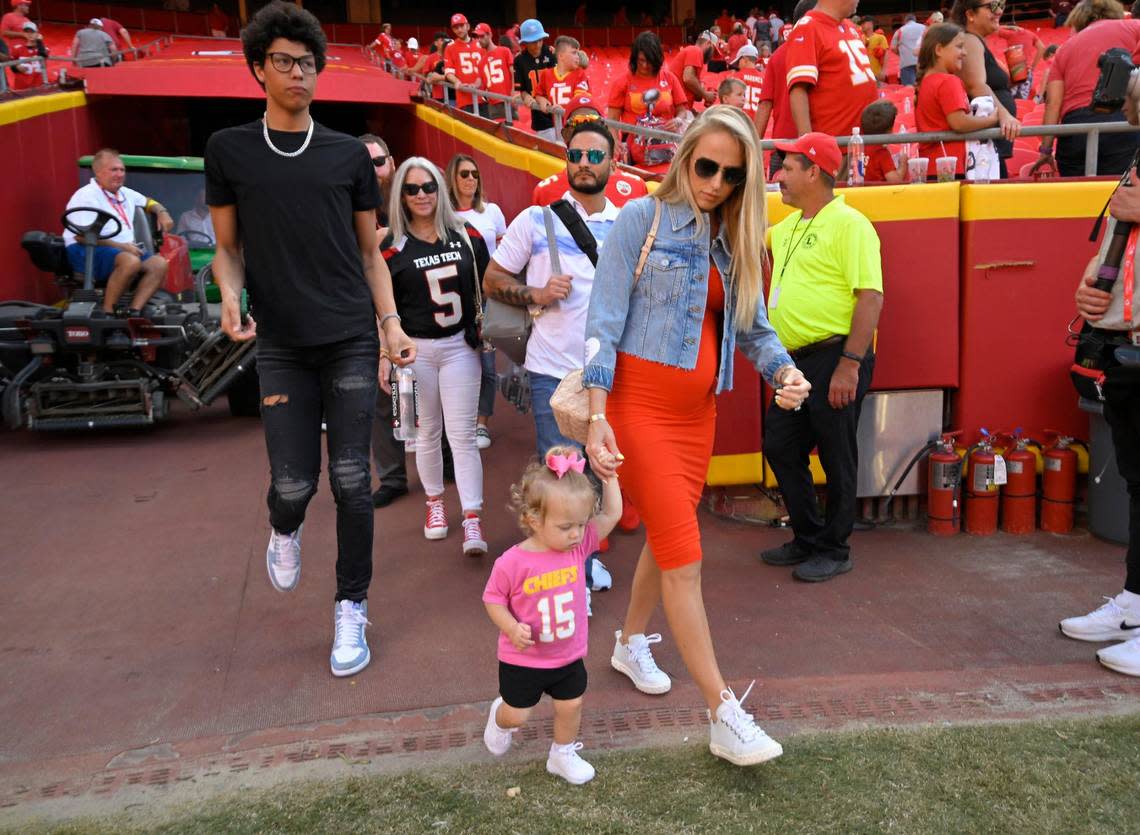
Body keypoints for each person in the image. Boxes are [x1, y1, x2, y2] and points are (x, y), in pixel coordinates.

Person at [583, 106, 810, 766]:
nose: (714, 183)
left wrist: (785, 371)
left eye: (731, 175)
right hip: (639, 406)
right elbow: (602, 320)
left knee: (669, 531)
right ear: (683, 156)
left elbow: (754, 328)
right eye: (705, 166)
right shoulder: (640, 219)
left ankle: (629, 641)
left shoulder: (732, 236)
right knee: (685, 551)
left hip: (696, 416)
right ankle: (721, 711)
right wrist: (599, 414)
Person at [206, 1, 415, 677]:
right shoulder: (230, 150)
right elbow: (227, 250)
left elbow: (369, 254)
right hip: (283, 345)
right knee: (294, 484)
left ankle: (351, 607)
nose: (300, 73)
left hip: (351, 332)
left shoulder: (347, 155)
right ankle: (285, 524)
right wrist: (231, 295)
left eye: (309, 62)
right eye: (285, 61)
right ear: (258, 69)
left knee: (354, 478)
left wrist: (390, 326)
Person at [761, 131, 882, 582]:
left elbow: (870, 296)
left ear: (814, 171)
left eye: (788, 168)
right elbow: (749, 242)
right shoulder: (788, 226)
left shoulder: (851, 224)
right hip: (792, 362)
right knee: (780, 444)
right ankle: (809, 536)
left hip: (836, 356)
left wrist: (850, 364)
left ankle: (835, 547)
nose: (780, 176)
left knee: (836, 453)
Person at [481, 447, 622, 783]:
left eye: (581, 524)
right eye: (565, 527)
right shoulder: (512, 563)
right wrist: (511, 627)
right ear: (533, 520)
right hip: (524, 660)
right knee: (518, 715)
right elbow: (493, 599)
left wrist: (611, 478)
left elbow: (613, 515)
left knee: (571, 705)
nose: (576, 534)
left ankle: (562, 753)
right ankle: (499, 718)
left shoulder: (578, 547)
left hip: (567, 655)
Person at [1062, 107, 1140, 676]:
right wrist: (1090, 289)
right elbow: (1115, 249)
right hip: (1125, 348)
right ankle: (1136, 603)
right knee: (1138, 482)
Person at [381, 158, 489, 557]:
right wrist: (384, 353)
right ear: (401, 195)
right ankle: (435, 505)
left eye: (428, 186)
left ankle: (473, 517)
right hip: (413, 352)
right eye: (412, 189)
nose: (422, 195)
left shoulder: (465, 235)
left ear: (439, 189)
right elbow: (380, 305)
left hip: (460, 344)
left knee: (462, 436)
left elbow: (489, 284)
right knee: (425, 433)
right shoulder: (390, 245)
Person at [1036, 0, 1140, 177]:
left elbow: (1053, 103)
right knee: (1119, 197)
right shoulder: (1133, 27)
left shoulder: (1064, 48)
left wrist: (1045, 151)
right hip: (1120, 123)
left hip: (1075, 131)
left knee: (1079, 201)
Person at [63, 149, 173, 314]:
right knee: (130, 261)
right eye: (114, 170)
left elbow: (149, 202)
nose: (120, 174)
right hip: (87, 250)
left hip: (119, 249)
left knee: (159, 264)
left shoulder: (125, 193)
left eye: (122, 170)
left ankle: (134, 311)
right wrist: (122, 247)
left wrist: (162, 213)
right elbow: (81, 237)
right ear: (98, 172)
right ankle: (108, 312)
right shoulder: (86, 196)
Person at [446, 153, 506, 450]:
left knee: (487, 364)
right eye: (464, 174)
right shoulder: (443, 216)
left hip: (487, 299)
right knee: (457, 361)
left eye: (474, 174)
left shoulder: (492, 212)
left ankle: (481, 423)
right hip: (455, 299)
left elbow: (506, 254)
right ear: (452, 179)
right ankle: (458, 421)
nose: (471, 179)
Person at [915, 23, 1000, 179]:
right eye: (959, 47)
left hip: (933, 166)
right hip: (951, 166)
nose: (965, 53)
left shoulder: (926, 82)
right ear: (939, 50)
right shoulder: (948, 81)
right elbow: (959, 123)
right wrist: (991, 120)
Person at [531, 95, 650, 207]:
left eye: (592, 122)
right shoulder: (545, 191)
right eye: (576, 123)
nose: (585, 131)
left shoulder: (636, 186)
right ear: (566, 135)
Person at [949, 0, 1021, 179]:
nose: (999, 11)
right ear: (970, 14)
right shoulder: (969, 39)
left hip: (988, 144)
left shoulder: (975, 41)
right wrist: (1004, 114)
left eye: (1002, 5)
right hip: (982, 147)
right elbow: (976, 85)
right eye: (992, 6)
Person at [786, 0, 878, 140]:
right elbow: (799, 89)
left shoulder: (850, 27)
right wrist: (809, 144)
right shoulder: (808, 27)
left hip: (863, 139)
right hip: (836, 143)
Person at [606, 30, 691, 150]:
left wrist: (677, 120)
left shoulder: (670, 78)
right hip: (634, 145)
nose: (645, 66)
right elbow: (612, 121)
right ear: (635, 59)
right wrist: (614, 142)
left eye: (649, 61)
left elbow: (682, 111)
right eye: (641, 60)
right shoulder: (622, 82)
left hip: (666, 143)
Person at [756, 0, 818, 164]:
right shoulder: (824, 50)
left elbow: (765, 104)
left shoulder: (777, 55)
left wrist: (753, 148)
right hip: (817, 145)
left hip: (782, 145)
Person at [514, 19, 557, 141]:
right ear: (525, 43)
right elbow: (521, 90)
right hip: (539, 114)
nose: (538, 44)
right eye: (533, 42)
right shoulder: (519, 61)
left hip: (556, 106)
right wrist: (528, 99)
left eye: (540, 40)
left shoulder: (551, 53)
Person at [532, 35, 591, 121]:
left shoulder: (580, 74)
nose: (578, 56)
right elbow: (538, 94)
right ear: (561, 56)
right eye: (574, 53)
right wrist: (542, 101)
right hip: (558, 126)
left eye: (578, 53)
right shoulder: (546, 74)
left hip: (577, 127)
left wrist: (564, 110)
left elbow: (580, 101)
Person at [443, 13, 485, 114]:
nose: (459, 30)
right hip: (464, 98)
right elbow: (448, 72)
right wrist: (457, 82)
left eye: (461, 26)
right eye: (456, 27)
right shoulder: (450, 47)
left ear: (468, 26)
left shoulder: (480, 44)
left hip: (484, 95)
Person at [860, 100, 907, 182]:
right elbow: (895, 180)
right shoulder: (881, 153)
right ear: (889, 131)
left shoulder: (858, 147)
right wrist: (903, 164)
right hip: (878, 194)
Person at [669, 30, 716, 108]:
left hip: (681, 106)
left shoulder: (694, 53)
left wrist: (703, 93)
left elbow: (697, 97)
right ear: (708, 43)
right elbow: (688, 78)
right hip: (678, 107)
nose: (712, 55)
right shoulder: (695, 50)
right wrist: (706, 94)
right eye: (713, 50)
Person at [477, 28, 514, 119]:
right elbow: (482, 83)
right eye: (478, 37)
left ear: (490, 35)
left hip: (508, 100)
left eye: (482, 36)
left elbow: (512, 73)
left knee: (515, 130)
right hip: (492, 104)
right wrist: (470, 85)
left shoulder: (505, 51)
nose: (480, 40)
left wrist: (512, 93)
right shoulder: (481, 62)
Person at [891, 14, 925, 86]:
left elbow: (893, 48)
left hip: (906, 63)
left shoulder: (900, 30)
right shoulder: (924, 28)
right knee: (925, 87)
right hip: (923, 63)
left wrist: (900, 54)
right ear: (915, 20)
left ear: (905, 21)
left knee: (909, 89)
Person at [732, 43, 765, 117]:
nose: (738, 65)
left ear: (744, 60)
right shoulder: (764, 78)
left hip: (741, 120)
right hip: (758, 122)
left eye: (738, 62)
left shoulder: (737, 77)